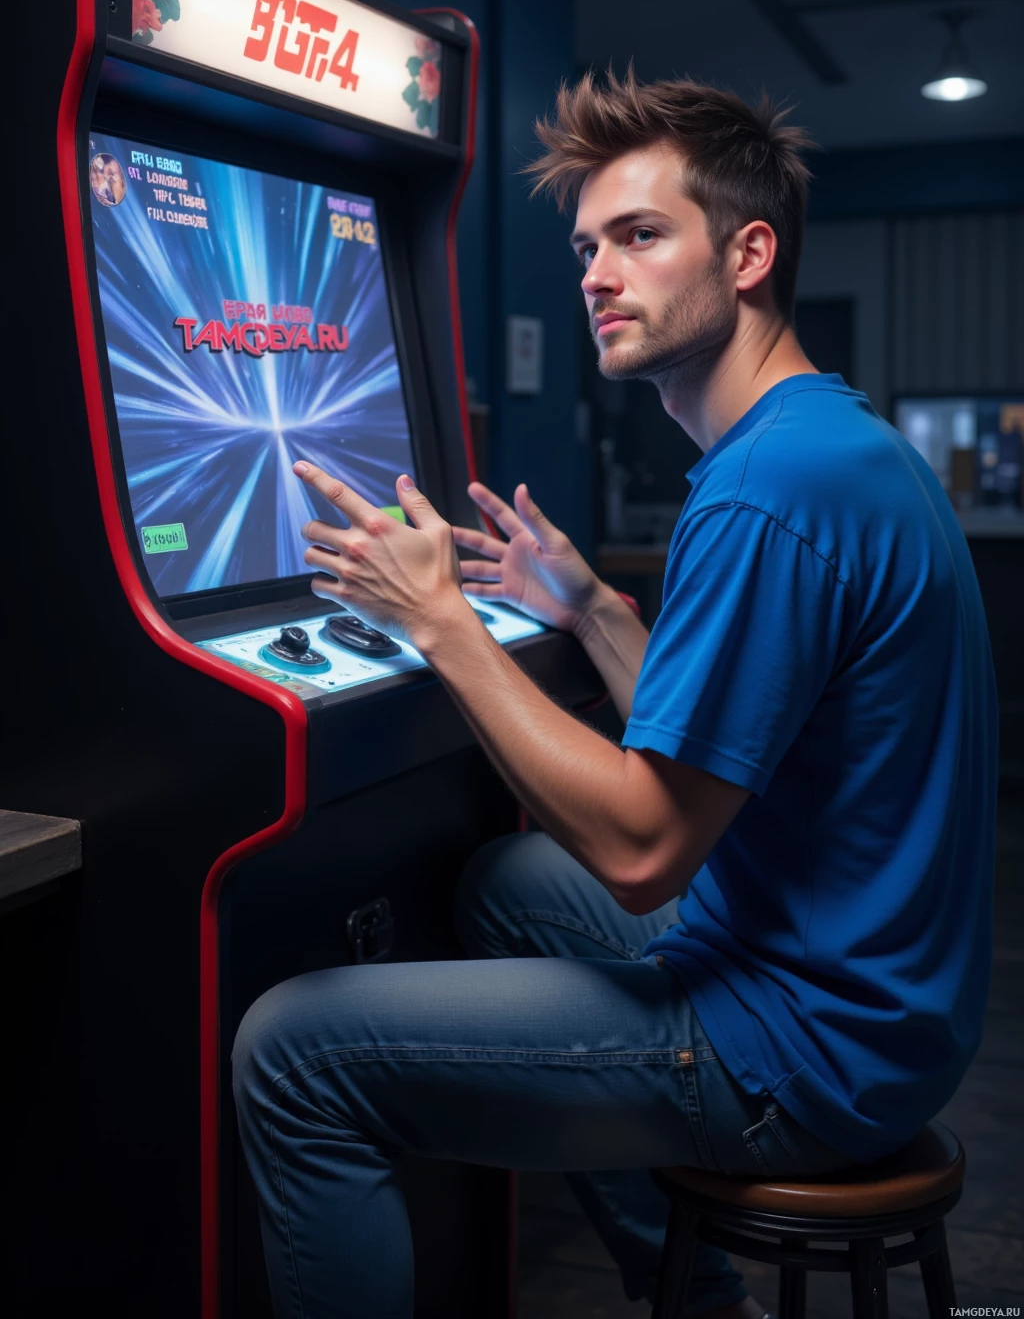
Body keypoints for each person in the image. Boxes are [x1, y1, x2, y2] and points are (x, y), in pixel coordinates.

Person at [232, 71, 998, 1319]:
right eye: (587, 245)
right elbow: (743, 758)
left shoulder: (763, 495)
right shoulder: (825, 444)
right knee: (508, 882)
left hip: (801, 1049)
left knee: (293, 1053)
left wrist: (439, 624)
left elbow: (645, 848)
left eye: (641, 236)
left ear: (748, 254)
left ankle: (690, 1291)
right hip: (885, 1007)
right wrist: (589, 610)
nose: (596, 273)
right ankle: (694, 1295)